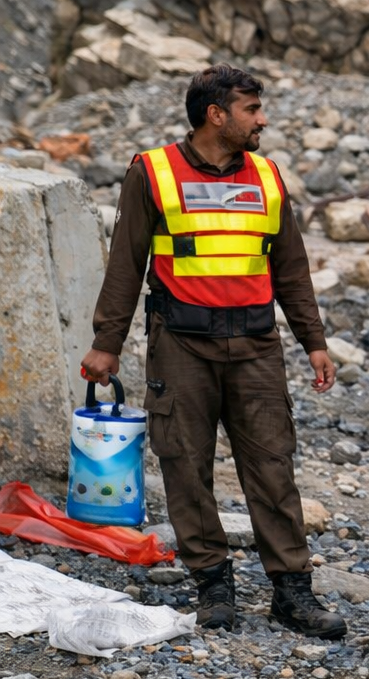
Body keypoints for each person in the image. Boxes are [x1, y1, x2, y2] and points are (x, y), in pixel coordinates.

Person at [80, 64, 346, 639]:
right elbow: (126, 266)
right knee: (185, 464)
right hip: (181, 347)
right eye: (252, 109)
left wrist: (314, 342)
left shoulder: (269, 177)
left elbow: (291, 268)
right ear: (215, 115)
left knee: (273, 466)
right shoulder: (151, 172)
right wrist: (107, 344)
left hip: (256, 347)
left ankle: (292, 594)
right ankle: (213, 586)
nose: (263, 119)